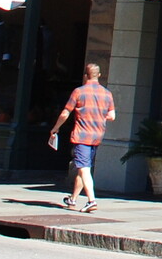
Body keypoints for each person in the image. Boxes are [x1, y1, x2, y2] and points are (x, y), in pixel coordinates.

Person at [49, 62, 116, 212]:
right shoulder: (107, 94)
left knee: (84, 168)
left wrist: (55, 128)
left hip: (82, 136)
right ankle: (73, 199)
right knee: (83, 167)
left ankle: (91, 200)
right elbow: (112, 116)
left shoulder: (79, 92)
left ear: (85, 76)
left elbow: (65, 113)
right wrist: (99, 115)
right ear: (99, 75)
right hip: (97, 136)